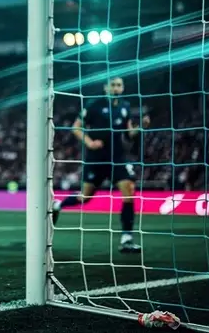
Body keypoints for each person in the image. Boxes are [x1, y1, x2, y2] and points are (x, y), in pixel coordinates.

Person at [52, 77, 149, 253]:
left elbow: (129, 134)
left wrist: (140, 126)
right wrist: (89, 142)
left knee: (129, 190)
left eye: (119, 85)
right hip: (95, 158)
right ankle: (58, 205)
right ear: (106, 88)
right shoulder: (93, 105)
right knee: (85, 197)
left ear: (123, 87)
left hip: (117, 158)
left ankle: (127, 238)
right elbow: (76, 127)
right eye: (113, 85)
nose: (116, 88)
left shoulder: (125, 106)